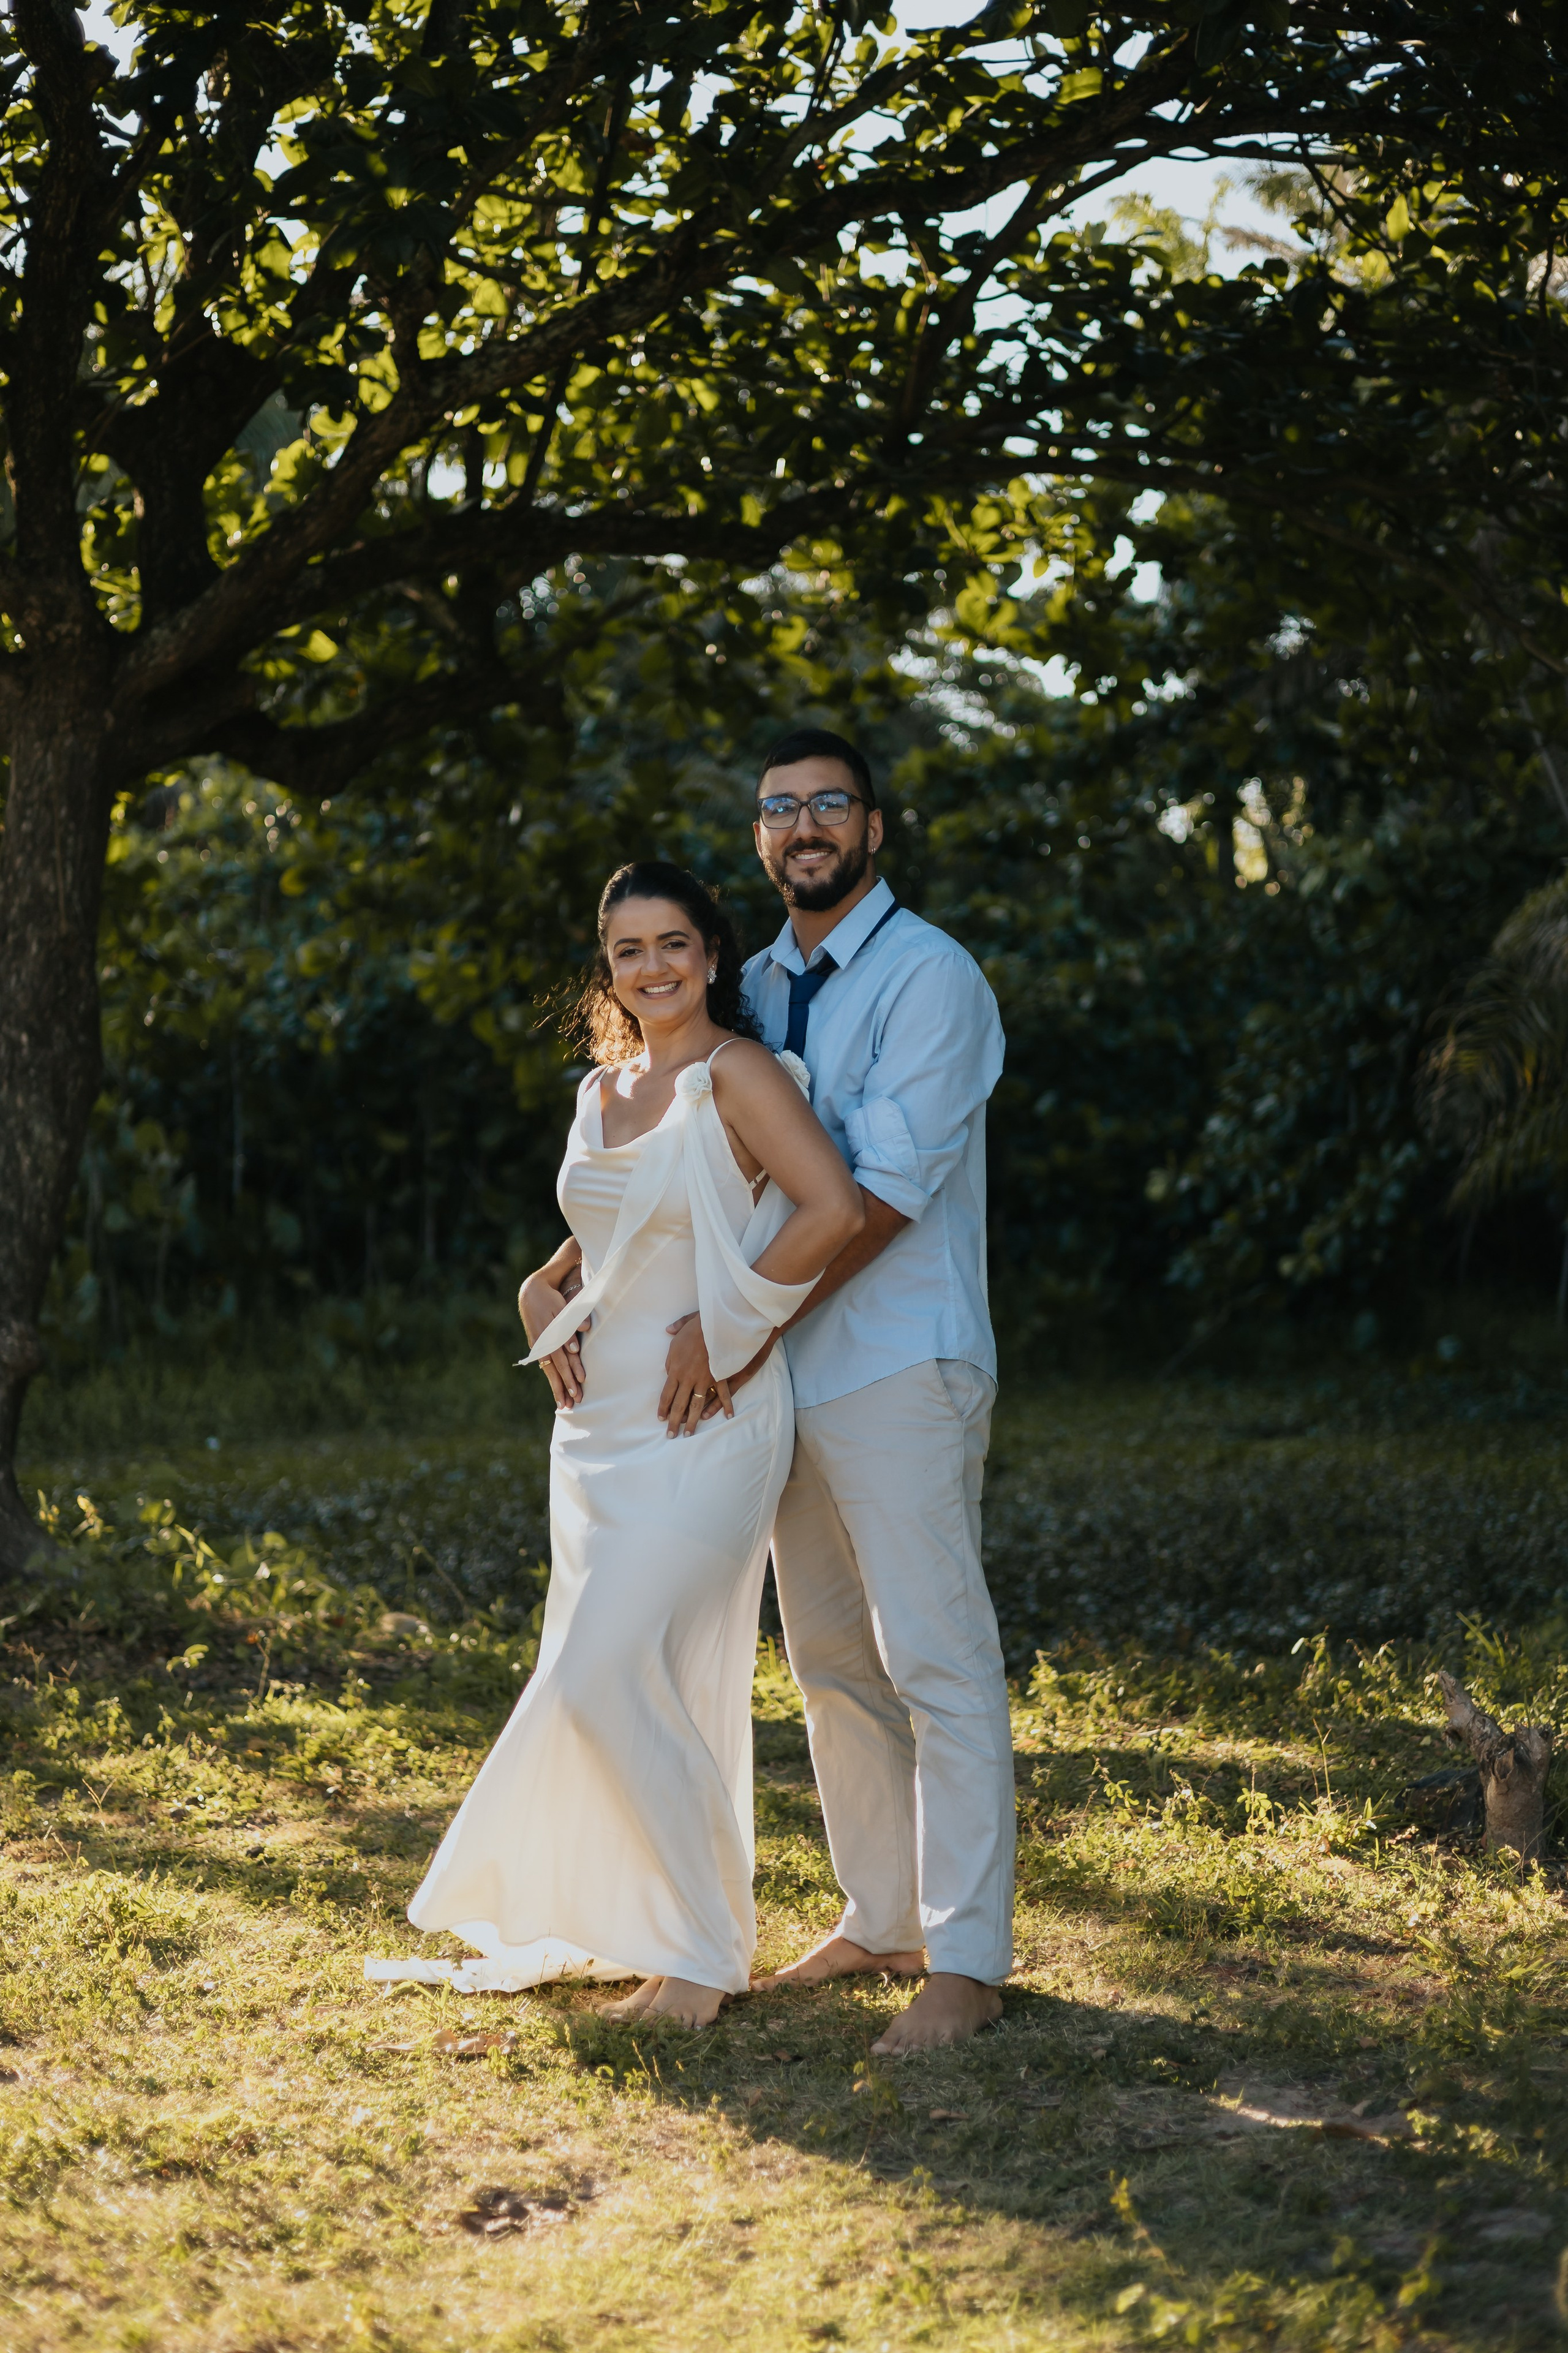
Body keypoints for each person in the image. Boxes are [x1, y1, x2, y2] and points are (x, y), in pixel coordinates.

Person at [379, 860, 863, 2029]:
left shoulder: (737, 1073)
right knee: (626, 1671)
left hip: (709, 1415)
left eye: (675, 944)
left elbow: (832, 1209)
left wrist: (731, 1325)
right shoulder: (602, 1090)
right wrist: (538, 1291)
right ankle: (655, 1926)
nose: (653, 968)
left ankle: (700, 1951)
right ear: (609, 969)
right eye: (629, 950)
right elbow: (605, 1239)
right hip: (595, 1432)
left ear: (712, 952)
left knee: (604, 1671)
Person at [732, 727, 1014, 2055]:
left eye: (827, 805)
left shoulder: (929, 977)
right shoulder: (743, 984)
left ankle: (963, 1961)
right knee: (831, 1660)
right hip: (782, 1375)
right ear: (758, 838)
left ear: (872, 828)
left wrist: (746, 1316)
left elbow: (888, 1197)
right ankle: (880, 1915)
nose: (804, 828)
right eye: (780, 810)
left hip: (899, 1358)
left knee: (935, 1657)